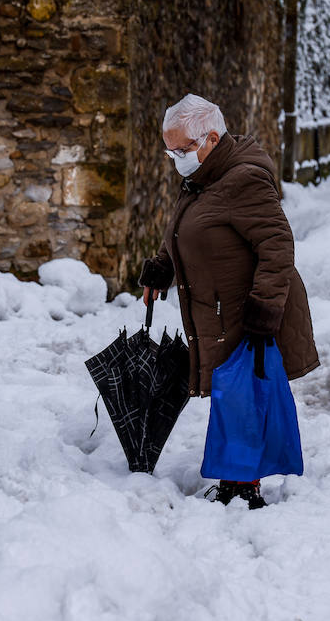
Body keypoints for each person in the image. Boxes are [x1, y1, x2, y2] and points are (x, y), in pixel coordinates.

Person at [137, 94, 319, 509]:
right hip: (218, 306)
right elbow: (187, 231)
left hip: (245, 308)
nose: (175, 158)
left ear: (211, 138)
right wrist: (162, 268)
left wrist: (265, 307)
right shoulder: (203, 176)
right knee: (234, 395)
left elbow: (277, 244)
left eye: (181, 149)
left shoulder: (244, 180)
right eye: (171, 150)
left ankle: (243, 487)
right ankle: (237, 480)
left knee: (242, 396)